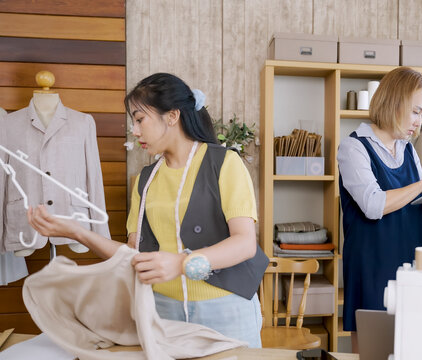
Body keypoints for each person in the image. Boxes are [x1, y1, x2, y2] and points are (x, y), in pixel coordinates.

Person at [27, 72, 268, 348]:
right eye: (133, 122)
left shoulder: (224, 164)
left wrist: (179, 263)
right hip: (162, 311)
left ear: (172, 116)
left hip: (226, 310)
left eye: (140, 119)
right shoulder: (145, 179)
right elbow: (133, 257)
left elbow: (245, 243)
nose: (135, 131)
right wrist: (77, 232)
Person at [337, 67, 422, 352]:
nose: (419, 122)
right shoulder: (353, 147)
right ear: (394, 101)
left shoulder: (407, 149)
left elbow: (415, 206)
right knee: (372, 351)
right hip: (372, 263)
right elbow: (374, 205)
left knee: (408, 349)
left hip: (408, 260)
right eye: (416, 112)